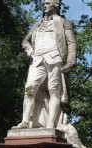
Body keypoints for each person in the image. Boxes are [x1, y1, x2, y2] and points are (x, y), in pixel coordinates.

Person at [13, 0, 77, 129]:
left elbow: (72, 42)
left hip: (55, 59)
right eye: (44, 3)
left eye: (48, 3)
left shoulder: (64, 22)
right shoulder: (38, 24)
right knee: (29, 88)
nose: (45, 6)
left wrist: (71, 59)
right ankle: (25, 121)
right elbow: (26, 41)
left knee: (55, 92)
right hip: (37, 60)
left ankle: (50, 124)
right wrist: (31, 53)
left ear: (56, 5)